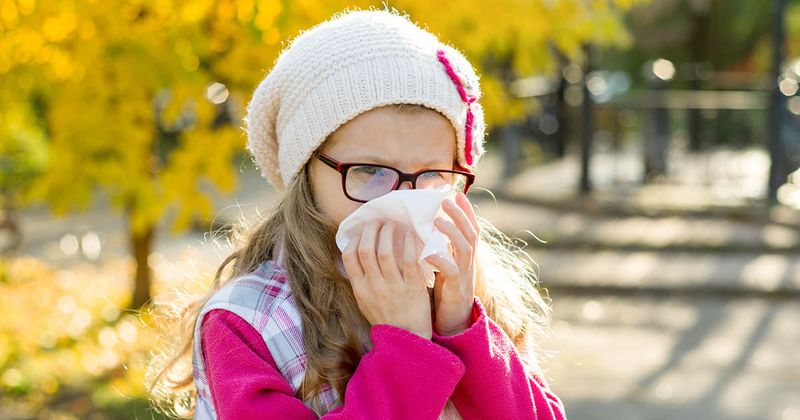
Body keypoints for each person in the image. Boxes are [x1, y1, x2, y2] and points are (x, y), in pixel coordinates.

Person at [148, 9, 566, 420]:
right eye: (370, 172)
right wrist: (405, 347)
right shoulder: (246, 324)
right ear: (306, 174)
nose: (402, 199)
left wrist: (460, 325)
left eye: (433, 174)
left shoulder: (468, 295)